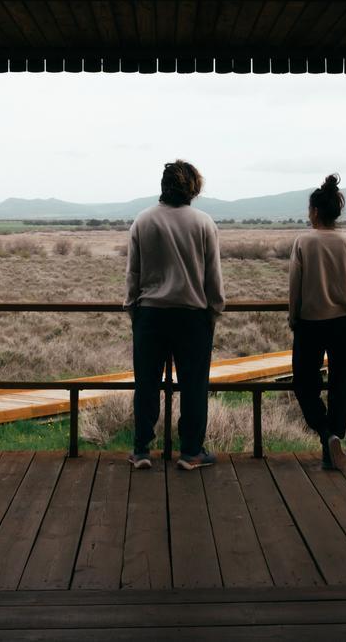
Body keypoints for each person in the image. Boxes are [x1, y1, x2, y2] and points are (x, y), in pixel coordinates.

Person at [125, 160, 225, 470]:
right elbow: (213, 277)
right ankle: (191, 451)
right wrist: (214, 310)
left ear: (163, 186)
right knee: (194, 385)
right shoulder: (204, 223)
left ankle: (141, 449)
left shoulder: (142, 221)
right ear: (193, 187)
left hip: (151, 314)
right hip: (192, 317)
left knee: (146, 383)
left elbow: (134, 274)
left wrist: (133, 309)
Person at [288, 174, 346, 470]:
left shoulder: (304, 242)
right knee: (341, 384)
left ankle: (325, 435)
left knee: (303, 382)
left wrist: (293, 317)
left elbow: (295, 286)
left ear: (313, 212)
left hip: (311, 323)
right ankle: (335, 438)